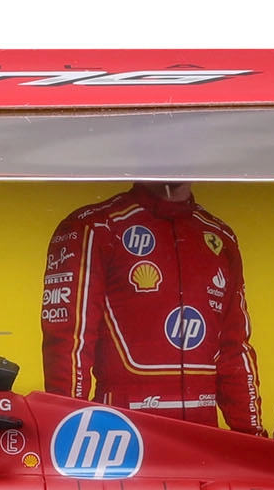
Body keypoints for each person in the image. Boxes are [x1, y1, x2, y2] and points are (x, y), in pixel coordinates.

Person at [38, 183, 261, 428]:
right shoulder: (96, 226)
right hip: (124, 433)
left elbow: (234, 349)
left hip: (202, 437)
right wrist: (66, 428)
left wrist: (253, 436)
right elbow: (70, 341)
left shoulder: (220, 235)